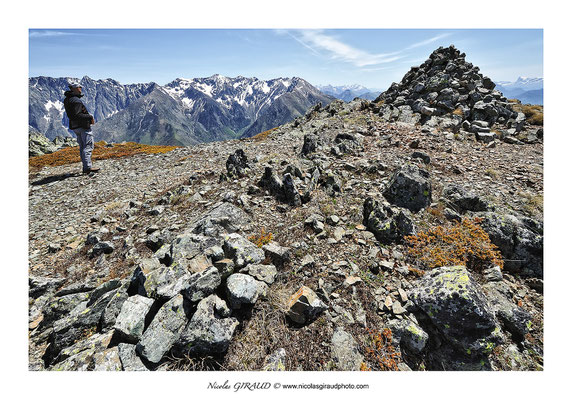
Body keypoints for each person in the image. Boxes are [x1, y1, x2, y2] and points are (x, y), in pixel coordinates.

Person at [63, 83, 100, 173]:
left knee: (82, 146)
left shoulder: (68, 99)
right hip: (83, 126)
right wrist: (89, 117)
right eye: (79, 87)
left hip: (75, 127)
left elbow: (72, 115)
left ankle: (86, 166)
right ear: (74, 89)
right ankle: (87, 167)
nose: (81, 88)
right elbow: (77, 115)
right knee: (88, 146)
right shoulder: (76, 101)